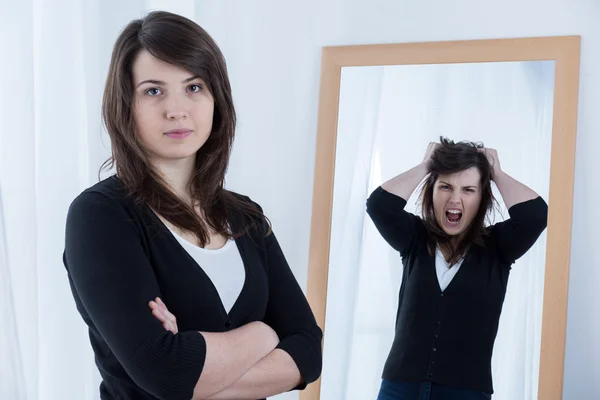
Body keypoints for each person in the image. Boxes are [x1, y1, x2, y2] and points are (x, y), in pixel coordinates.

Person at [63, 11, 322, 400]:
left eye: (194, 87)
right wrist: (264, 333)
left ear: (216, 97)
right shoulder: (100, 216)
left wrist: (198, 375)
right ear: (124, 104)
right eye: (153, 91)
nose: (177, 109)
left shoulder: (246, 217)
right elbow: (165, 371)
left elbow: (307, 348)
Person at [367, 138, 548, 400]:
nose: (455, 198)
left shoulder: (497, 247)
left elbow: (536, 215)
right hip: (400, 387)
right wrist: (425, 166)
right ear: (431, 190)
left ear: (482, 196)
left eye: (468, 190)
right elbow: (379, 206)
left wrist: (496, 173)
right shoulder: (415, 239)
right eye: (445, 186)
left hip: (467, 392)